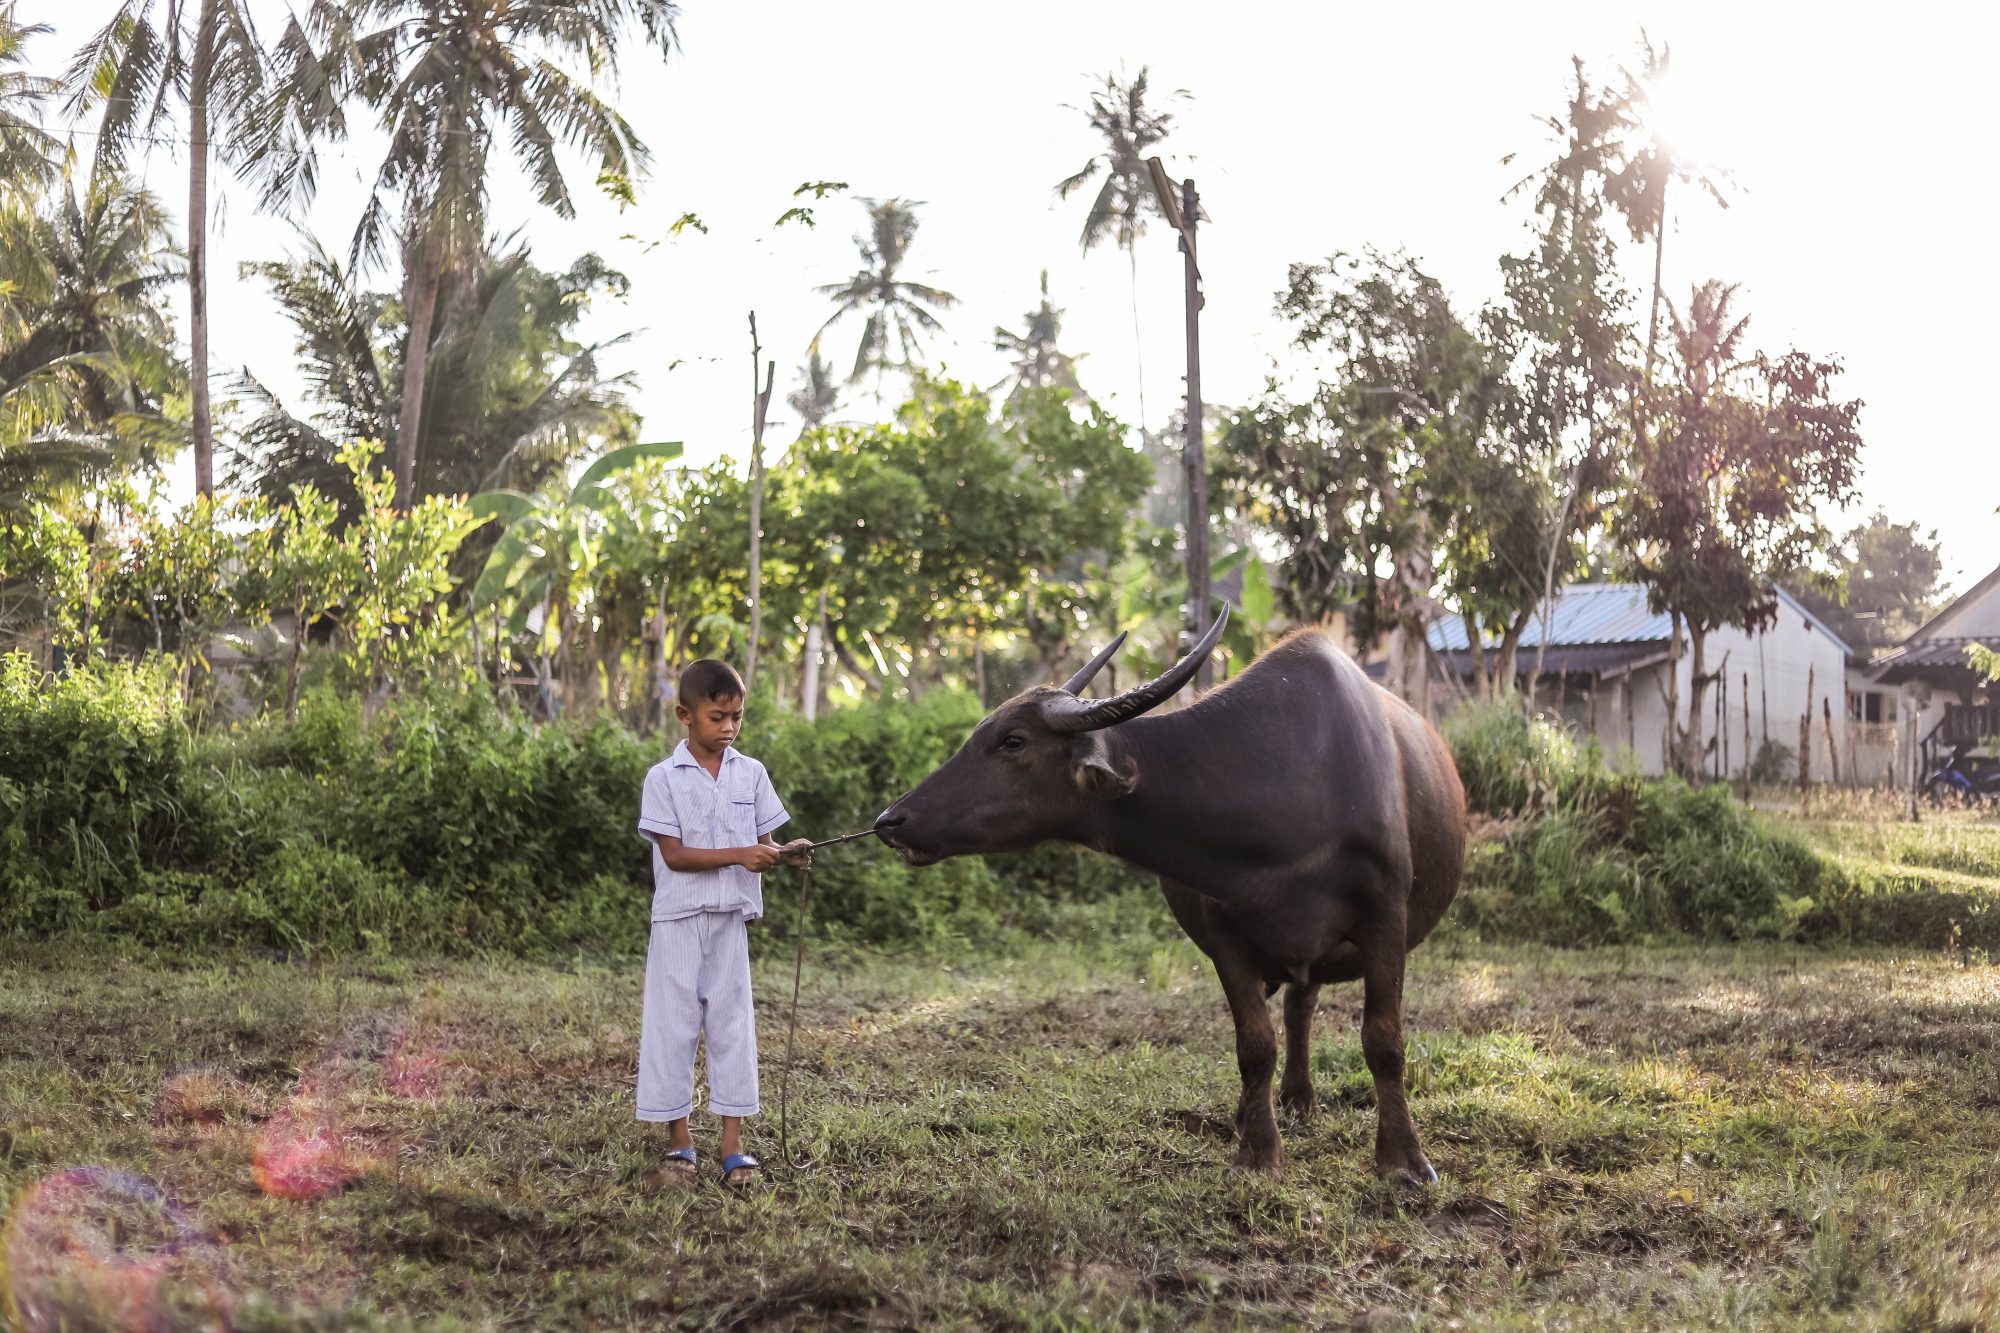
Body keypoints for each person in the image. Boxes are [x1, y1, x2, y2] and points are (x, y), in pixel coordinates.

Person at [635, 660, 812, 1186]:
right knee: (674, 1027)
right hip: (678, 921)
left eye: (737, 716)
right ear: (684, 715)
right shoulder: (662, 779)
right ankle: (680, 1144)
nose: (730, 727)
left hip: (729, 919)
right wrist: (742, 854)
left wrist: (785, 854)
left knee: (733, 1027)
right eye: (718, 716)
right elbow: (674, 856)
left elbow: (765, 843)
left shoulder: (750, 772)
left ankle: (732, 1145)